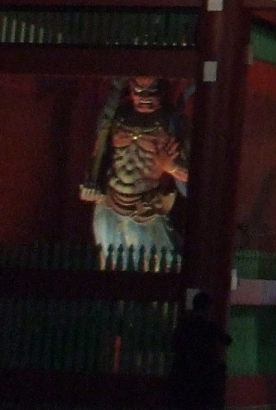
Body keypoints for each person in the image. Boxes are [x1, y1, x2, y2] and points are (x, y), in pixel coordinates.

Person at [80, 77, 189, 268]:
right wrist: (91, 182)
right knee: (110, 264)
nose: (144, 98)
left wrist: (170, 167)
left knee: (159, 266)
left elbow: (195, 176)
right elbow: (100, 152)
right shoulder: (117, 115)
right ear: (130, 90)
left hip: (145, 207)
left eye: (151, 92)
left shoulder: (171, 122)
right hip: (109, 202)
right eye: (139, 92)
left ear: (161, 91)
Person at [168, 292, 232, 409]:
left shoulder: (184, 323)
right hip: (204, 376)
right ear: (207, 308)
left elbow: (173, 344)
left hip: (182, 374)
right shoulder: (209, 326)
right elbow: (227, 340)